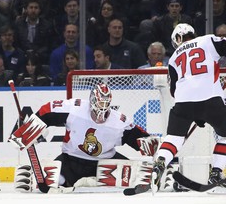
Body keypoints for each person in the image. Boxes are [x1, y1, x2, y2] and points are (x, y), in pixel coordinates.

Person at [151, 23, 226, 192]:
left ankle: (160, 162)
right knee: (224, 136)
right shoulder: (207, 41)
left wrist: (194, 111)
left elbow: (174, 90)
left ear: (177, 40)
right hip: (211, 98)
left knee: (174, 139)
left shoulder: (173, 58)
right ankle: (216, 172)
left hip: (183, 102)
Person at [34, 83, 152, 187]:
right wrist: (33, 128)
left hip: (105, 162)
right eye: (99, 104)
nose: (102, 110)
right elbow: (47, 110)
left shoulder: (119, 122)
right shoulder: (75, 109)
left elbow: (142, 140)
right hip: (72, 160)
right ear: (92, 101)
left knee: (139, 176)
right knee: (48, 182)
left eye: (105, 104)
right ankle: (64, 182)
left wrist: (160, 151)